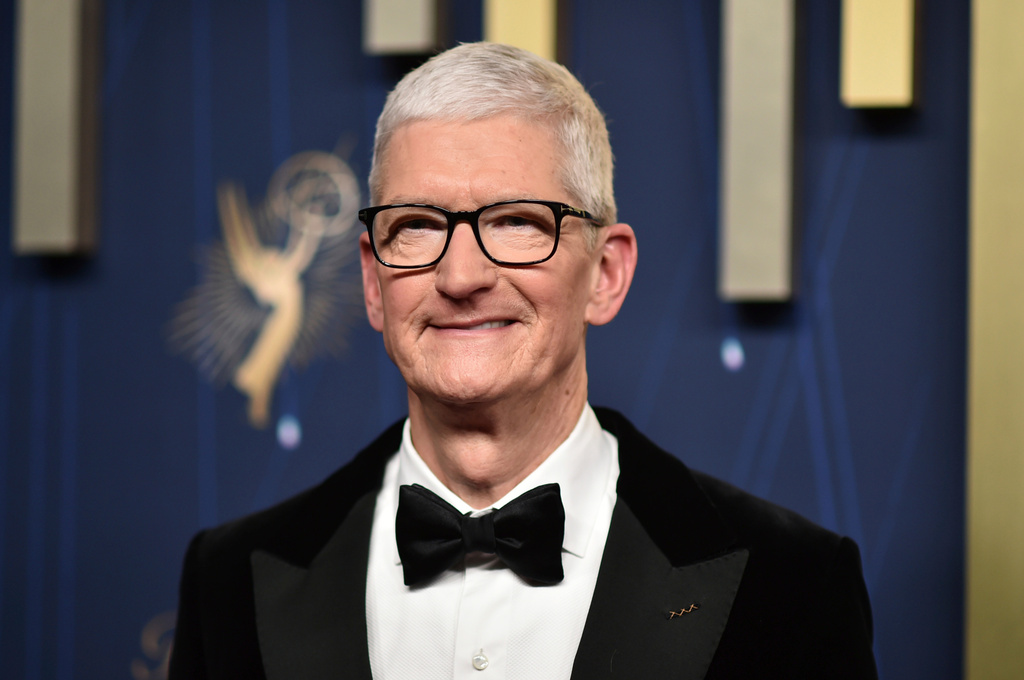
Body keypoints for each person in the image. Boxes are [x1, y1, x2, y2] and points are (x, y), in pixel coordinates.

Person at [169, 42, 877, 679]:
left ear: (606, 273)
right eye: (417, 227)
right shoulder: (228, 581)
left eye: (516, 223)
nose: (462, 276)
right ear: (371, 281)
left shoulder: (792, 584)